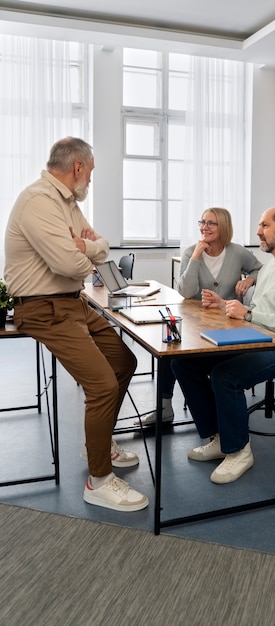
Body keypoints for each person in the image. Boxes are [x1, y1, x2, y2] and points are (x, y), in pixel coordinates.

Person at [4, 137, 149, 512]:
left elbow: (103, 245)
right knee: (101, 384)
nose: (92, 180)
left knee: (124, 363)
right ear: (78, 168)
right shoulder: (39, 202)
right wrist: (86, 251)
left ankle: (97, 443)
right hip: (42, 307)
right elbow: (69, 265)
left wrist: (84, 247)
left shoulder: (66, 203)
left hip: (73, 302)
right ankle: (98, 480)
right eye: (92, 171)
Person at [170, 206, 275, 484]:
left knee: (225, 375)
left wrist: (249, 314)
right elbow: (256, 308)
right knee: (183, 363)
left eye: (264, 226)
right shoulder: (271, 265)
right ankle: (219, 437)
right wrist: (226, 305)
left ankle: (239, 450)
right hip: (257, 339)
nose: (257, 232)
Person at [139, 207, 263, 425]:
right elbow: (186, 291)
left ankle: (214, 408)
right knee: (171, 347)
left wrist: (249, 280)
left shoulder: (237, 252)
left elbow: (259, 269)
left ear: (223, 226)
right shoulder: (189, 253)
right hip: (196, 321)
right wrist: (196, 255)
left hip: (229, 322)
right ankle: (165, 407)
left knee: (192, 360)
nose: (204, 227)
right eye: (202, 222)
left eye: (211, 223)